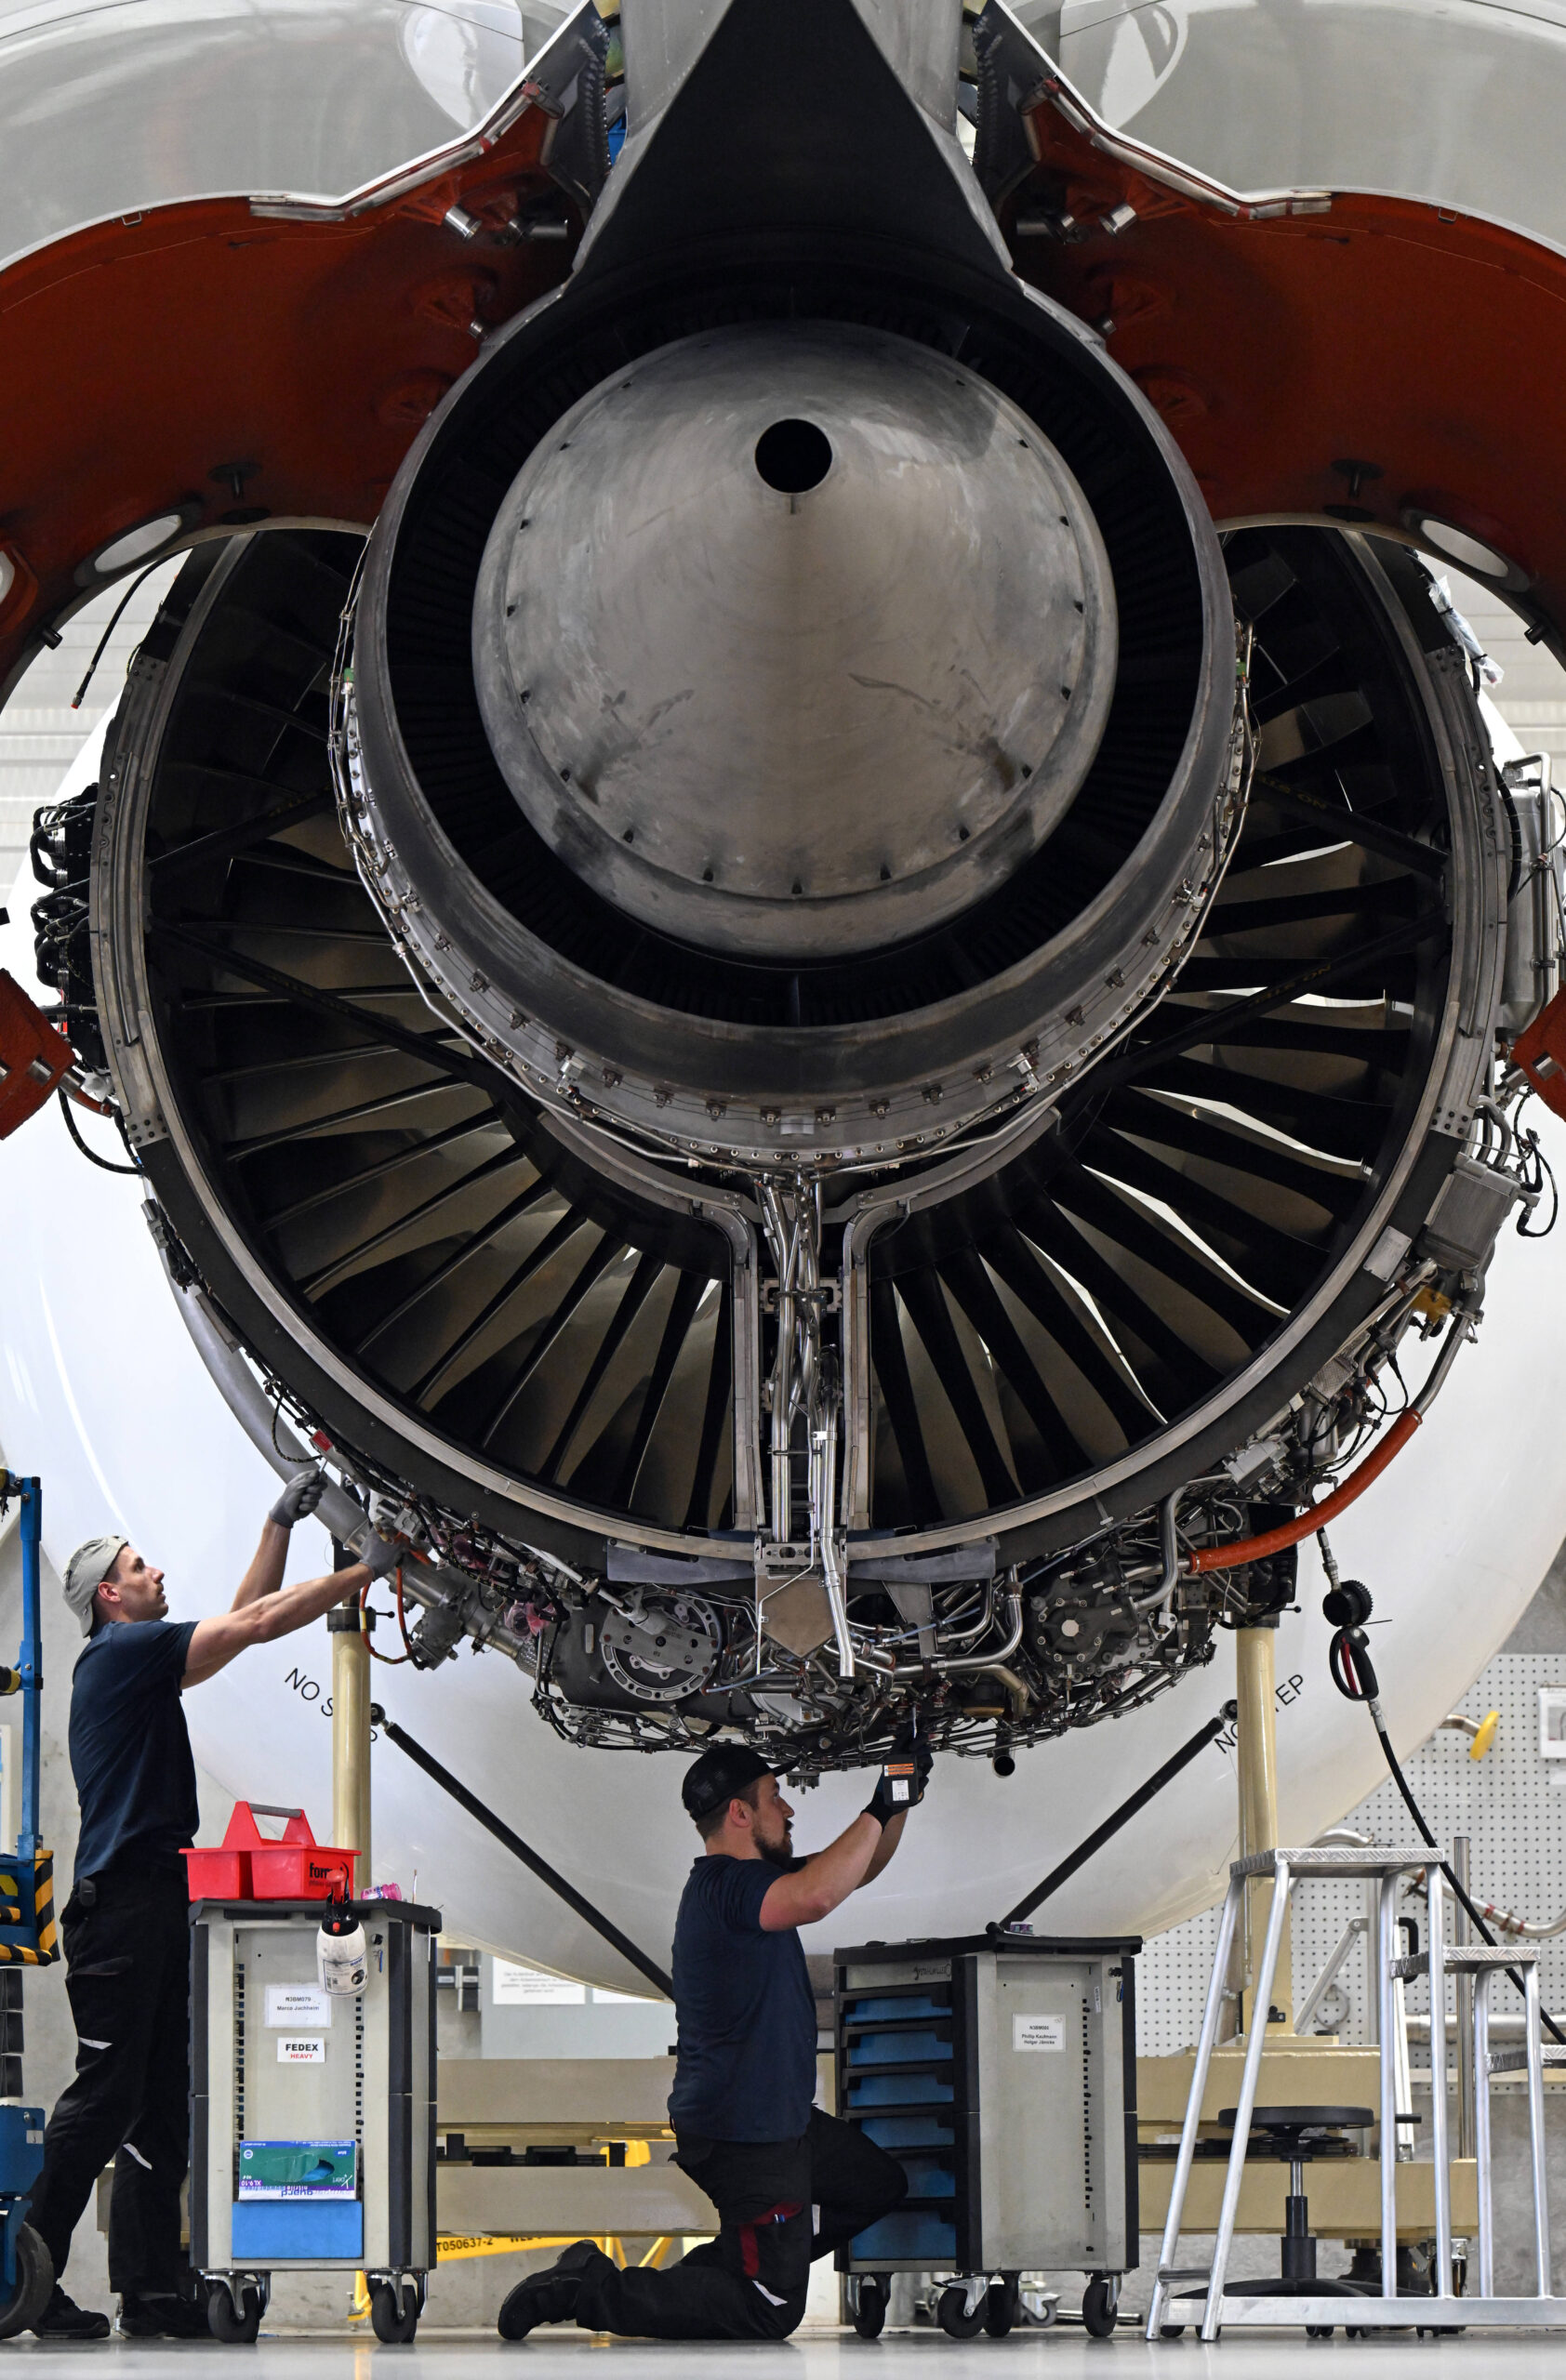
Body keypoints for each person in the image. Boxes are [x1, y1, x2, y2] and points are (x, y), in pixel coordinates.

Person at [23, 1473, 398, 2342]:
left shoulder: (141, 1663)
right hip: (119, 1907)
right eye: (140, 1566)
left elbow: (240, 1624)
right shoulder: (121, 1655)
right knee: (106, 2095)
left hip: (156, 1896)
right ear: (109, 1596)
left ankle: (151, 2291)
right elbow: (260, 1623)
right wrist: (365, 1572)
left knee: (161, 2100)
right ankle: (25, 2272)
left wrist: (278, 1523)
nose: (157, 1574)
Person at [498, 1729, 930, 2343]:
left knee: (875, 2187)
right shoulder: (727, 1888)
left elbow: (853, 1870)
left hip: (781, 2124)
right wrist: (881, 1801)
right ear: (739, 1812)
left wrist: (901, 1797)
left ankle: (735, 2271)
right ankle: (586, 2286)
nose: (789, 1810)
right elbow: (821, 1894)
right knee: (769, 2310)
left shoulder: (756, 1886)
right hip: (746, 2135)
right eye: (776, 1797)